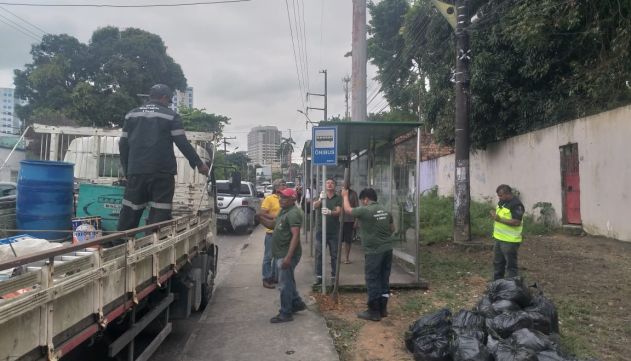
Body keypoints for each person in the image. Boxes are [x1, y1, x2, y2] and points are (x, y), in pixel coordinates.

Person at [117, 84, 208, 232]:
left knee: (130, 211)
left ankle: (119, 246)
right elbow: (182, 142)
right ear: (164, 97)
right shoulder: (171, 116)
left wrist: (127, 170)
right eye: (169, 100)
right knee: (159, 212)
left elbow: (123, 144)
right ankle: (151, 245)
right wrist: (198, 164)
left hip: (136, 172)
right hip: (162, 173)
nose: (168, 104)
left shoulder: (131, 114)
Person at [342, 187, 393, 322]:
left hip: (374, 251)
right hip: (387, 249)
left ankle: (373, 311)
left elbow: (348, 210)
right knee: (384, 277)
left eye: (362, 201)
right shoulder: (385, 210)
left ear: (366, 199)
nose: (362, 203)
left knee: (372, 278)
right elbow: (391, 228)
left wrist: (345, 196)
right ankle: (383, 309)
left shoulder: (366, 210)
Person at [259, 187, 307, 323]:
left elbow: (296, 235)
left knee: (284, 284)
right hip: (281, 253)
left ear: (293, 199)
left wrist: (288, 257)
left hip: (287, 254)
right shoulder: (284, 211)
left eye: (285, 198)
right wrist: (260, 218)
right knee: (289, 281)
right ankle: (297, 303)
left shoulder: (293, 213)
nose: (281, 200)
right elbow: (273, 225)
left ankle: (286, 313)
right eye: (280, 197)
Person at [489, 184, 525, 280]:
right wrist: (495, 215)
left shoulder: (516, 205)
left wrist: (499, 219)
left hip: (510, 241)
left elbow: (516, 222)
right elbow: (500, 215)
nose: (499, 198)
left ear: (507, 194)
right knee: (498, 263)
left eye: (500, 195)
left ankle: (511, 287)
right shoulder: (502, 201)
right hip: (499, 238)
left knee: (510, 266)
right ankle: (497, 284)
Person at [313, 177, 343, 285]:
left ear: (335, 186)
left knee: (334, 255)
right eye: (327, 183)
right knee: (319, 254)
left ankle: (334, 276)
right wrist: (321, 199)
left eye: (332, 183)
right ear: (325, 185)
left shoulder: (338, 198)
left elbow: (338, 211)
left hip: (334, 231)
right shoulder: (321, 195)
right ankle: (319, 276)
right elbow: (314, 206)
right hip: (321, 231)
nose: (329, 185)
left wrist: (330, 212)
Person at [259, 179, 286, 288]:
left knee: (278, 256)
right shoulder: (269, 198)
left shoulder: (284, 199)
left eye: (284, 184)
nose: (284, 186)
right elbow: (263, 213)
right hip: (271, 232)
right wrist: (276, 217)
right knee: (268, 257)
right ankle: (266, 279)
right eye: (282, 185)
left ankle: (274, 277)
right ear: (276, 187)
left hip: (282, 232)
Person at [341, 181, 359, 264]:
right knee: (338, 240)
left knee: (348, 240)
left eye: (347, 183)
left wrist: (356, 221)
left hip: (350, 220)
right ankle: (335, 257)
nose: (346, 185)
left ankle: (346, 258)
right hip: (339, 220)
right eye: (344, 183)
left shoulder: (353, 194)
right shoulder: (339, 193)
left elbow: (357, 207)